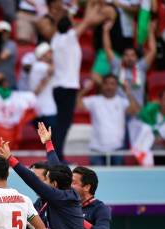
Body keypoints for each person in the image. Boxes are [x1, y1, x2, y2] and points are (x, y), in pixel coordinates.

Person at [51, 6, 103, 160]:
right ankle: (57, 156)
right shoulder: (70, 37)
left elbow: (70, 23)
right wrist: (93, 5)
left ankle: (56, 154)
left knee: (60, 123)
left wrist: (70, 13)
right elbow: (86, 21)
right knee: (63, 125)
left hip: (58, 87)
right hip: (67, 88)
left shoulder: (56, 39)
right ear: (70, 28)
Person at [77, 74, 140, 165]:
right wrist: (85, 90)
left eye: (112, 84)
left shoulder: (122, 101)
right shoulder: (94, 101)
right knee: (96, 178)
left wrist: (128, 93)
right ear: (102, 85)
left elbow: (135, 110)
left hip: (117, 149)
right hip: (96, 149)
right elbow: (77, 105)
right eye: (106, 83)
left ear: (116, 86)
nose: (109, 86)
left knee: (118, 178)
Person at [103, 19, 157, 106]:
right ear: (122, 57)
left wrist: (150, 32)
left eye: (132, 55)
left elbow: (153, 51)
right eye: (126, 55)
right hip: (119, 110)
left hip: (137, 111)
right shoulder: (116, 65)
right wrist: (105, 31)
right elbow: (107, 48)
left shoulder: (141, 67)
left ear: (136, 58)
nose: (129, 58)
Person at [29, 43, 57, 131]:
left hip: (42, 110)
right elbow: (52, 70)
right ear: (43, 54)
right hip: (46, 111)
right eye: (49, 52)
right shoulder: (39, 66)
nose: (52, 55)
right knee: (52, 142)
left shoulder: (37, 66)